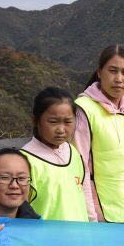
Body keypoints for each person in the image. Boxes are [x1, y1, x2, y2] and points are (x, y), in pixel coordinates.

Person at [73, 45, 124, 223]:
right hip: (106, 215)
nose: (119, 79)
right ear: (100, 72)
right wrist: (93, 216)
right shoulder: (84, 108)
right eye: (113, 71)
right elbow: (80, 167)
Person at [21, 87, 88, 222]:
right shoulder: (25, 160)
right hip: (47, 240)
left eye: (68, 122)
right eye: (53, 122)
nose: (61, 130)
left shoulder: (72, 152)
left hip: (81, 236)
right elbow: (20, 210)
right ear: (35, 121)